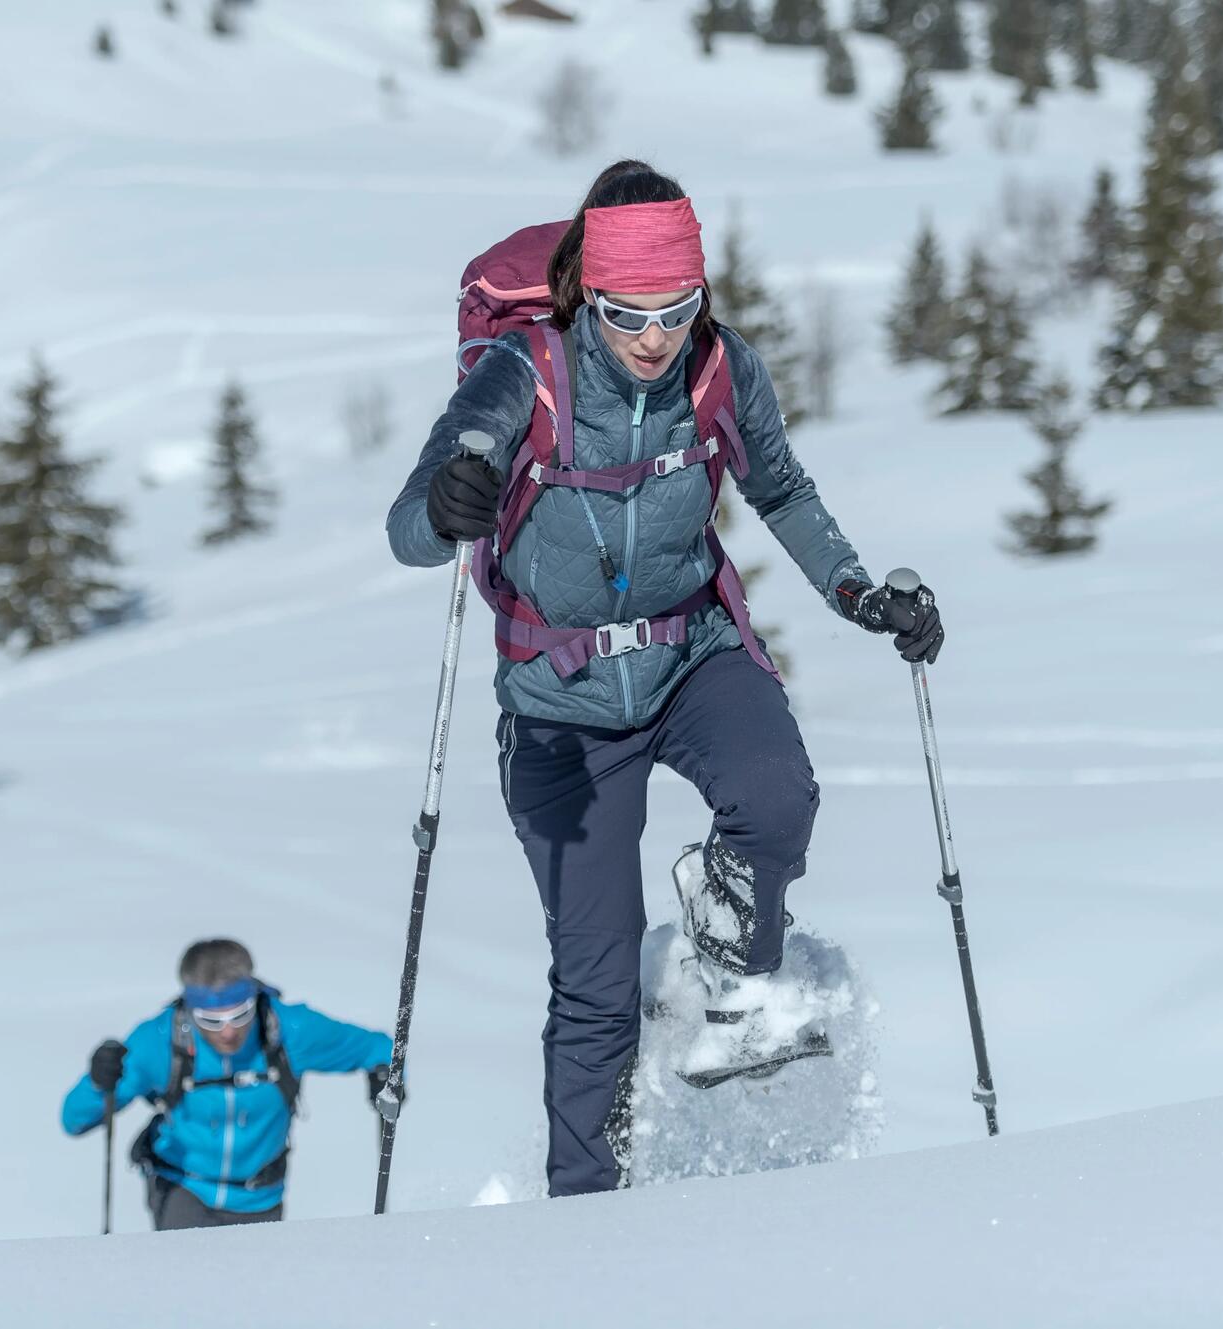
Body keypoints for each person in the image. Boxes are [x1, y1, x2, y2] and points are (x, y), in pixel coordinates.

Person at [384, 159, 943, 1199]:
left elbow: (781, 487)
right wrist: (449, 501)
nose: (653, 337)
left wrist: (861, 596)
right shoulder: (522, 374)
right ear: (585, 296)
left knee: (775, 799)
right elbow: (408, 528)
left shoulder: (721, 368)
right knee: (592, 995)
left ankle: (722, 967)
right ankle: (587, 1216)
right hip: (559, 708)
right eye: (626, 313)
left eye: (675, 310)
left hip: (692, 657)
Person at [60, 938, 394, 1229]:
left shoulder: (288, 1029)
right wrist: (98, 1081)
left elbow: (378, 1048)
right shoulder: (160, 1040)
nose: (228, 1032)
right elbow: (75, 1121)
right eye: (211, 1021)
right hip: (182, 1189)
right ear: (190, 1008)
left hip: (259, 1196)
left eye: (240, 1015)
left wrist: (387, 1079)